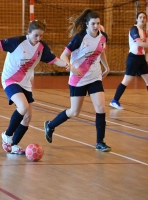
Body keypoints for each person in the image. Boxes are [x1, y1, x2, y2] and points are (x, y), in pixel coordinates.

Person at [0, 20, 81, 155]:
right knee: (23, 107)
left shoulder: (41, 47)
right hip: (10, 79)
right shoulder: (18, 42)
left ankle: (13, 145)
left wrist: (68, 66)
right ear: (28, 33)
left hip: (25, 83)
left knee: (27, 117)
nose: (38, 39)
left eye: (41, 36)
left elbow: (54, 59)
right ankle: (7, 135)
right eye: (36, 35)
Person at [44, 9, 111, 152]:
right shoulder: (79, 38)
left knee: (100, 108)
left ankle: (100, 142)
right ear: (87, 24)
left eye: (98, 23)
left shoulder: (103, 36)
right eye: (93, 23)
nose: (96, 26)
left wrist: (106, 67)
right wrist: (71, 67)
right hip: (78, 78)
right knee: (74, 112)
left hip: (94, 77)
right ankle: (50, 125)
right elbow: (64, 55)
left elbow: (101, 52)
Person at [110, 12, 148, 110]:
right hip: (133, 58)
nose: (142, 19)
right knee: (126, 81)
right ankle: (114, 100)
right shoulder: (134, 29)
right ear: (137, 19)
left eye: (144, 17)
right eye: (140, 17)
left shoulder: (143, 30)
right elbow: (139, 43)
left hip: (141, 58)